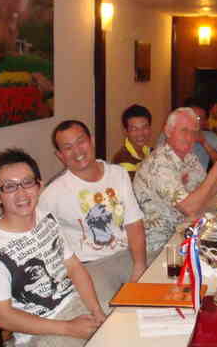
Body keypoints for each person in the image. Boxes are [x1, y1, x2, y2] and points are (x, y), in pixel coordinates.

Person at [0, 149, 106, 347]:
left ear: (39, 186)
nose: (21, 193)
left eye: (27, 182)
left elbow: (74, 267)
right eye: (9, 186)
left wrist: (96, 311)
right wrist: (68, 328)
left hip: (75, 304)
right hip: (38, 333)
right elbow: (3, 317)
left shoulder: (46, 218)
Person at [39, 120, 147, 308]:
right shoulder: (53, 193)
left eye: (81, 141)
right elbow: (38, 236)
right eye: (68, 148)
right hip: (91, 267)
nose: (77, 151)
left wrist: (139, 266)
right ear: (60, 155)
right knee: (111, 314)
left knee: (159, 297)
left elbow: (134, 222)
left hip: (128, 255)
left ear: (92, 140)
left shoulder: (118, 174)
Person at [134, 107, 217, 254]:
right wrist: (216, 171)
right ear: (168, 131)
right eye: (184, 130)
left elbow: (206, 193)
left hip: (186, 230)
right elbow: (190, 208)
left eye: (194, 132)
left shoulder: (189, 156)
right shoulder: (158, 164)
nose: (190, 137)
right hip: (161, 246)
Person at [157, 98, 217, 171]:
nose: (194, 120)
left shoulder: (211, 138)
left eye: (199, 118)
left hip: (200, 177)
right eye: (191, 116)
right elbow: (159, 159)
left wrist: (204, 143)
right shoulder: (169, 133)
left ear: (205, 122)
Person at [112, 104, 153, 180]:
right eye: (134, 129)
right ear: (125, 131)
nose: (140, 133)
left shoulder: (152, 152)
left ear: (150, 128)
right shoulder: (122, 159)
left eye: (144, 127)